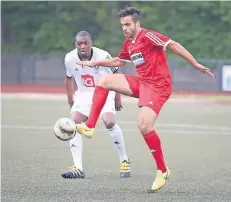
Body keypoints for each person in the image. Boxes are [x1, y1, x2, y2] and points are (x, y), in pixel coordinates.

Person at [74, 7, 214, 191]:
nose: (124, 28)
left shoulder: (148, 36)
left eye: (127, 24)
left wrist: (195, 63)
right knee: (104, 80)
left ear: (137, 23)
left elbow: (173, 44)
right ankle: (90, 127)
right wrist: (95, 62)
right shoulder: (128, 43)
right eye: (122, 25)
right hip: (142, 83)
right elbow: (118, 61)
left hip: (158, 87)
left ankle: (162, 171)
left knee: (144, 126)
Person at [62, 30, 131, 179]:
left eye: (85, 43)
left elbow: (117, 72)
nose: (82, 46)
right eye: (79, 43)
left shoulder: (103, 55)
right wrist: (70, 99)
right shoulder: (69, 58)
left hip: (105, 91)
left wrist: (118, 97)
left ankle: (124, 160)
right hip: (84, 93)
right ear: (75, 44)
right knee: (74, 123)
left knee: (109, 121)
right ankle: (78, 168)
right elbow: (68, 78)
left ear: (91, 42)